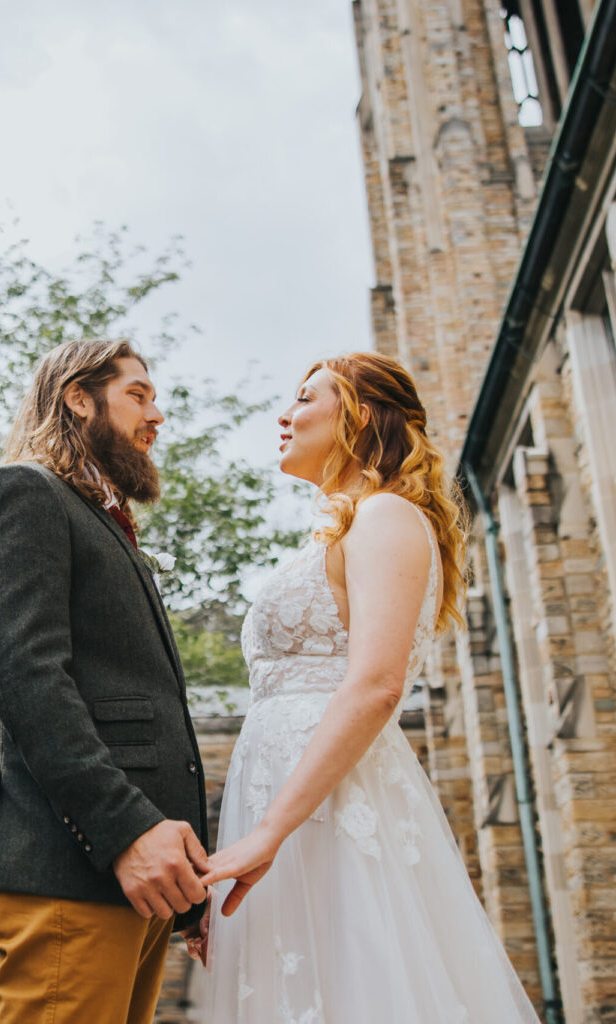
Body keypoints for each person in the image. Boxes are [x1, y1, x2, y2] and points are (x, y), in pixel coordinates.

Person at [193, 352, 541, 1024]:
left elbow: (378, 685)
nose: (283, 415)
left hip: (332, 803)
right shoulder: (349, 525)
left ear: (360, 416)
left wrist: (269, 832)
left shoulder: (386, 516)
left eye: (303, 398)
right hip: (291, 807)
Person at [0, 338, 211, 1024]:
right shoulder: (22, 493)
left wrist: (189, 894)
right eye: (138, 394)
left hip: (135, 879)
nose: (156, 415)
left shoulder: (106, 523)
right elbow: (28, 678)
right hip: (69, 862)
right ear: (78, 396)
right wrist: (127, 831)